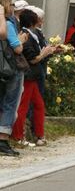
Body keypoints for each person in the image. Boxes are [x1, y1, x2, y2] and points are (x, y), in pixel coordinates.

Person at [12, 9, 55, 146]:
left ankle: (39, 134)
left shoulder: (32, 34)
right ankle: (18, 136)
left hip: (33, 75)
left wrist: (47, 52)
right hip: (29, 75)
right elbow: (32, 59)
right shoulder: (26, 35)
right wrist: (44, 53)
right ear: (32, 21)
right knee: (24, 106)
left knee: (38, 105)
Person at [0, 0, 26, 156]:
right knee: (10, 103)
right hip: (9, 68)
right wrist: (21, 40)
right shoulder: (8, 23)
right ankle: (3, 140)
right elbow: (17, 48)